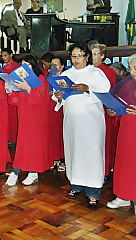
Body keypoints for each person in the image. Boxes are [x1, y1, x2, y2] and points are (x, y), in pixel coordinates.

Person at [53, 43, 110, 207]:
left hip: (92, 123)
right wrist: (58, 96)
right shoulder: (67, 74)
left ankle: (93, 191)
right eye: (73, 56)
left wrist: (88, 89)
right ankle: (76, 184)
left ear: (87, 56)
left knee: (92, 154)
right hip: (72, 122)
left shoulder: (96, 73)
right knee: (74, 151)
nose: (76, 59)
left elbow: (105, 93)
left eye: (79, 56)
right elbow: (60, 99)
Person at [5, 55, 51, 186]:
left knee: (33, 146)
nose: (24, 69)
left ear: (33, 66)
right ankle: (29, 172)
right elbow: (15, 101)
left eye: (27, 66)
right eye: (22, 66)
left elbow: (39, 100)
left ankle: (25, 172)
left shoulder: (40, 79)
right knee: (23, 146)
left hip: (37, 119)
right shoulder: (20, 80)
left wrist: (28, 88)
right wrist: (10, 91)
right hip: (24, 117)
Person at [106, 54, 136, 215]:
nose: (132, 71)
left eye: (135, 67)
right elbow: (118, 103)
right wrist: (113, 111)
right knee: (124, 162)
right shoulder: (126, 83)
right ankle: (123, 196)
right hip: (126, 130)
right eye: (130, 68)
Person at [90, 43, 118, 178]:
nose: (92, 57)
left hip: (104, 110)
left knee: (105, 142)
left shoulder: (108, 72)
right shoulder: (87, 70)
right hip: (89, 112)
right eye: (91, 54)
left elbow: (111, 92)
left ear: (102, 56)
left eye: (95, 54)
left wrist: (109, 108)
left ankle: (105, 171)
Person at [1, 48, 20, 145]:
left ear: (11, 54)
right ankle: (9, 138)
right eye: (2, 56)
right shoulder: (4, 68)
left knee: (15, 117)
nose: (3, 58)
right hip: (6, 94)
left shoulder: (17, 67)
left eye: (5, 55)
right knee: (7, 117)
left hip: (15, 94)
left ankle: (15, 138)